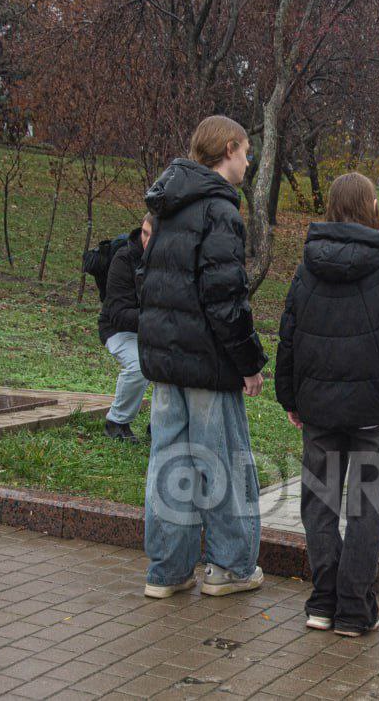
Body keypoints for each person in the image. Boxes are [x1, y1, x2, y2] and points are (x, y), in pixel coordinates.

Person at [275, 172, 379, 637]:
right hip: (372, 413)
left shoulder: (307, 268)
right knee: (365, 508)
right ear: (370, 208)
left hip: (320, 408)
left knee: (319, 504)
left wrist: (290, 396)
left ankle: (324, 600)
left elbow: (288, 338)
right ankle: (354, 609)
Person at [137, 116, 267, 599]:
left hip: (166, 362)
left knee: (168, 465)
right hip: (208, 365)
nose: (248, 163)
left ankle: (168, 571)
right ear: (229, 149)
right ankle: (230, 567)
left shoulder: (166, 205)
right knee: (223, 466)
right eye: (246, 153)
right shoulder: (220, 210)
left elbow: (148, 280)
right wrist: (248, 362)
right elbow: (225, 297)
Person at [98, 214, 153, 444]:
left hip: (157, 330)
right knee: (140, 364)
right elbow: (118, 314)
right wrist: (158, 318)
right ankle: (116, 422)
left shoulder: (172, 260)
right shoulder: (124, 258)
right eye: (145, 233)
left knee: (178, 365)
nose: (146, 240)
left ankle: (162, 424)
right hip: (118, 329)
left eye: (153, 235)